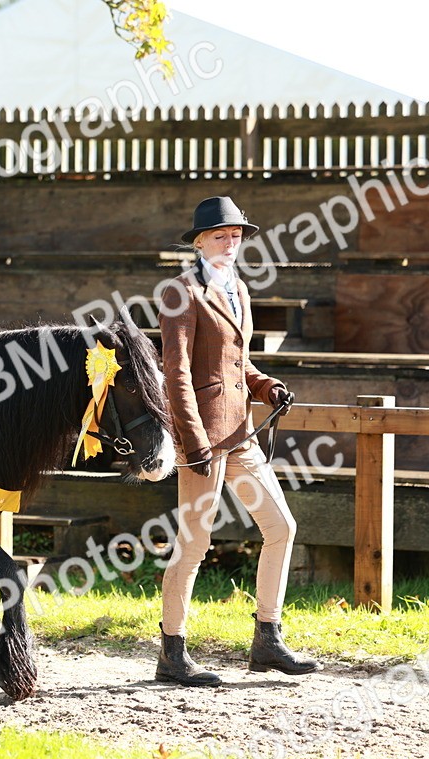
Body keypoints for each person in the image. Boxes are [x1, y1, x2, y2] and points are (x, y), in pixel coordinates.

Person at [155, 196, 321, 686]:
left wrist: (264, 385)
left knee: (281, 526)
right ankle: (172, 650)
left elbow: (236, 364)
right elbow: (177, 373)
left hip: (241, 435)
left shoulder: (239, 291)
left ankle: (267, 639)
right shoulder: (179, 292)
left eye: (237, 235)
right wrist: (192, 439)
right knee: (195, 541)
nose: (231, 242)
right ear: (200, 241)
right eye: (221, 235)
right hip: (203, 439)